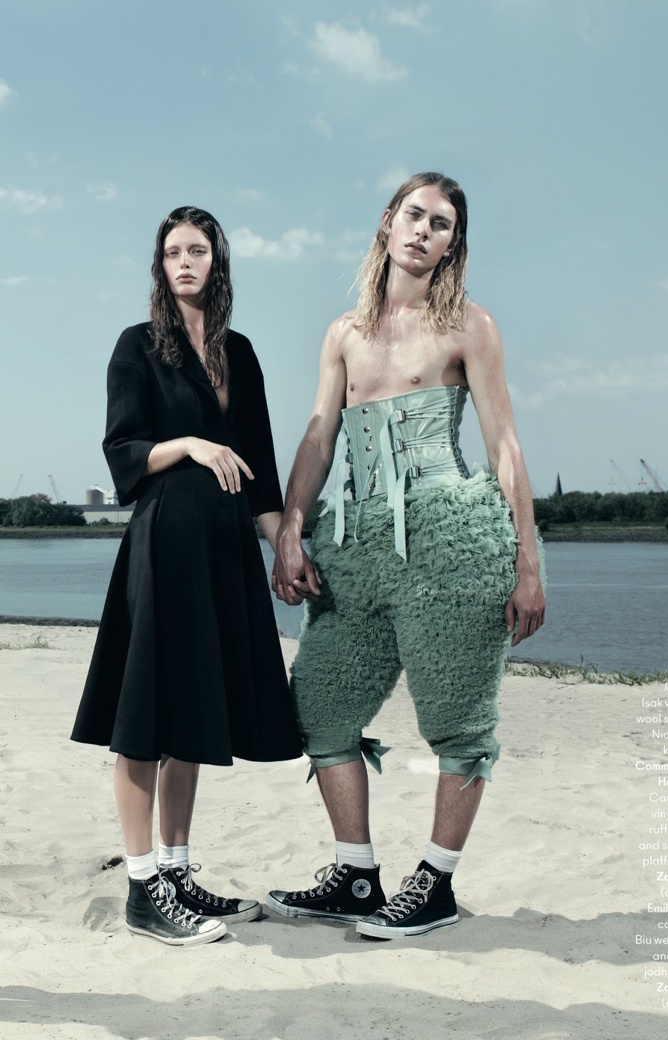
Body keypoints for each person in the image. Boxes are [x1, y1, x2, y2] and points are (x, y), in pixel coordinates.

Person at [266, 173, 546, 939]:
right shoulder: (343, 333)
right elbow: (319, 437)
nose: (424, 230)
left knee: (456, 720)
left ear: (453, 245)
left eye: (442, 224)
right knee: (320, 707)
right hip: (356, 547)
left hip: (449, 541)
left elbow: (504, 445)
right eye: (414, 215)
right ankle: (356, 877)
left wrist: (528, 564)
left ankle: (437, 883)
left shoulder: (469, 326)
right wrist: (290, 530)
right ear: (388, 223)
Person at [72, 206, 303, 946]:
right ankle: (143, 887)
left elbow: (261, 467)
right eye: (172, 251)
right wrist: (193, 444)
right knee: (146, 714)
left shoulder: (241, 352)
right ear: (159, 264)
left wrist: (285, 548)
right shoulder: (136, 345)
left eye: (197, 250)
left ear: (217, 261)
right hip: (165, 541)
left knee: (193, 714)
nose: (183, 262)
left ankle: (175, 872)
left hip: (225, 549)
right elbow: (123, 451)